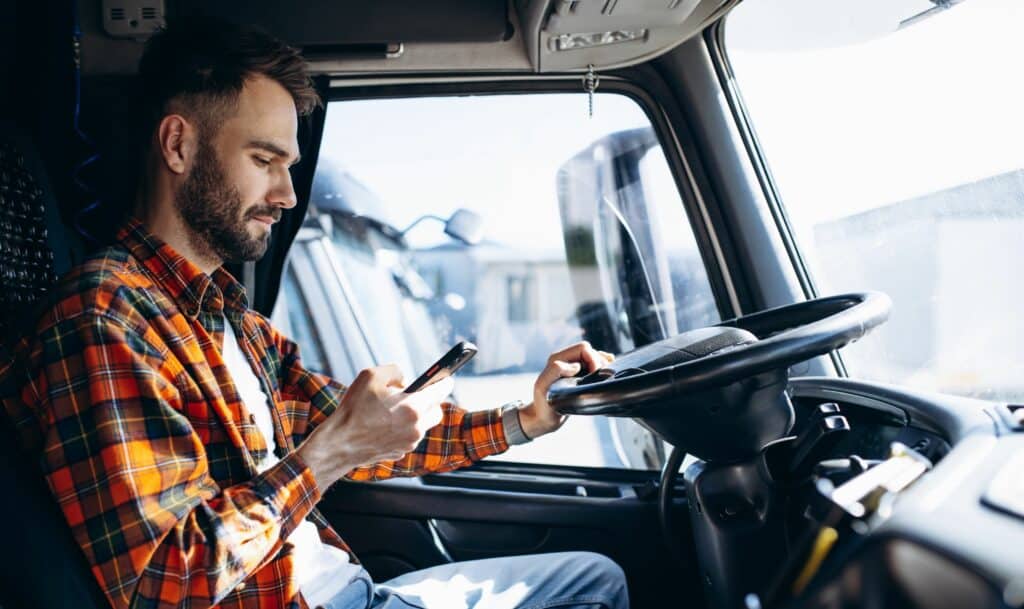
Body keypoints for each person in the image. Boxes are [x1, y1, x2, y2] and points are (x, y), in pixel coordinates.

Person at [0, 16, 630, 609]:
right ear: (177, 144)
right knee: (597, 588)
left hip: (344, 591)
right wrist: (324, 457)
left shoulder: (231, 320)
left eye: (290, 166)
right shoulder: (105, 318)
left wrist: (527, 417)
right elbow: (163, 583)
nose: (287, 194)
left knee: (596, 572)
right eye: (264, 160)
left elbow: (364, 431)